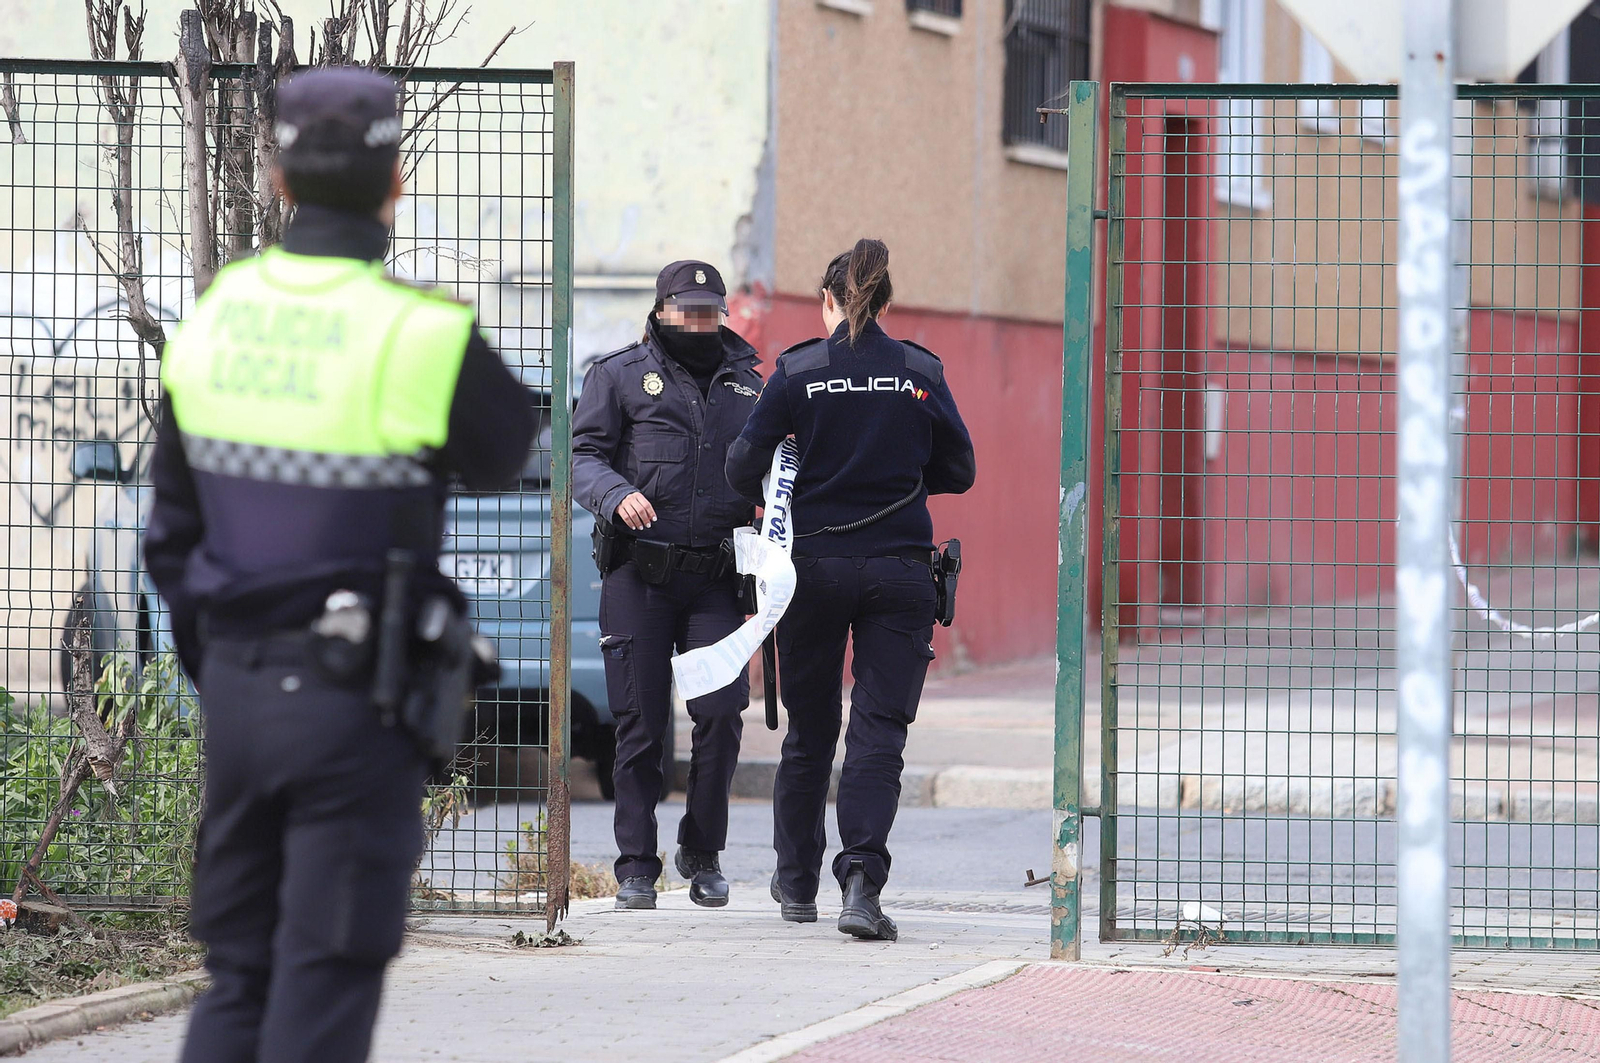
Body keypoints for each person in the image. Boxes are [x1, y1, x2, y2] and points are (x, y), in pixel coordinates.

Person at [144, 68, 535, 1063]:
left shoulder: (215, 318)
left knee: (240, 975)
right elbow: (504, 450)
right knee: (323, 979)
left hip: (235, 692)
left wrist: (224, 663)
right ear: (396, 180)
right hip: (358, 703)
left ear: (275, 178)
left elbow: (171, 538)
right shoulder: (424, 334)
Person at [726, 238, 975, 942]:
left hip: (813, 570)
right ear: (887, 302)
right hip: (898, 569)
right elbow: (960, 468)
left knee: (810, 728)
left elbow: (742, 469)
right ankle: (861, 883)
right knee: (878, 732)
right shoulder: (920, 371)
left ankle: (797, 882)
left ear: (827, 301)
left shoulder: (798, 371)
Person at [572, 260, 764, 910]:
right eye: (689, 310)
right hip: (640, 575)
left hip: (714, 578)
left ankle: (701, 850)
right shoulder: (617, 374)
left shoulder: (749, 386)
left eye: (710, 310)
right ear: (661, 310)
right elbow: (582, 458)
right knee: (640, 722)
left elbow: (773, 472)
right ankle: (635, 866)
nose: (700, 321)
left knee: (721, 711)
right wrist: (615, 494)